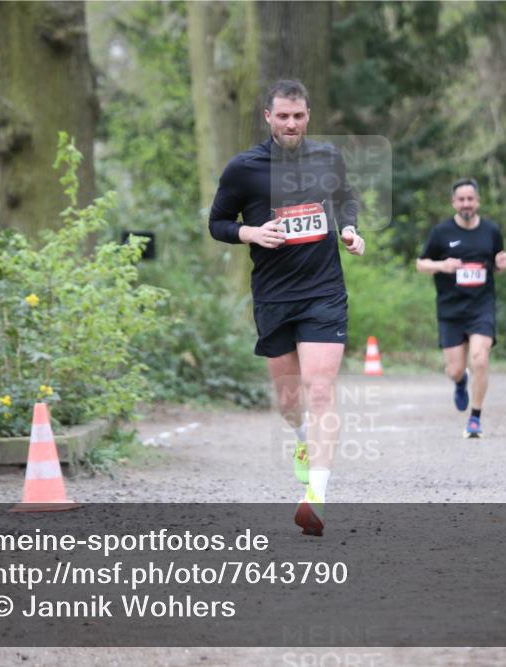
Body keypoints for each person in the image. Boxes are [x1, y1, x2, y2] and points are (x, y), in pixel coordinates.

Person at [208, 79, 365, 535]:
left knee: (320, 390)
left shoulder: (327, 159)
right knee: (290, 402)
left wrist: (350, 230)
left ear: (308, 115)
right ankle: (301, 439)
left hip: (324, 292)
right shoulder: (244, 168)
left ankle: (315, 496)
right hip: (275, 296)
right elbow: (217, 222)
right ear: (268, 118)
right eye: (283, 116)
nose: (291, 123)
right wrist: (250, 233)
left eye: (299, 116)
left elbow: (346, 199)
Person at [416, 178, 506, 438]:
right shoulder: (441, 233)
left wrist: (503, 265)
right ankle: (460, 381)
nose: (466, 203)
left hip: (482, 306)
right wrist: (442, 265)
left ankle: (475, 418)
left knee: (480, 359)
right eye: (461, 199)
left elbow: (499, 263)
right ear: (454, 203)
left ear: (477, 201)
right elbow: (420, 264)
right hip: (451, 309)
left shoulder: (491, 231)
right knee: (455, 369)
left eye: (471, 199)